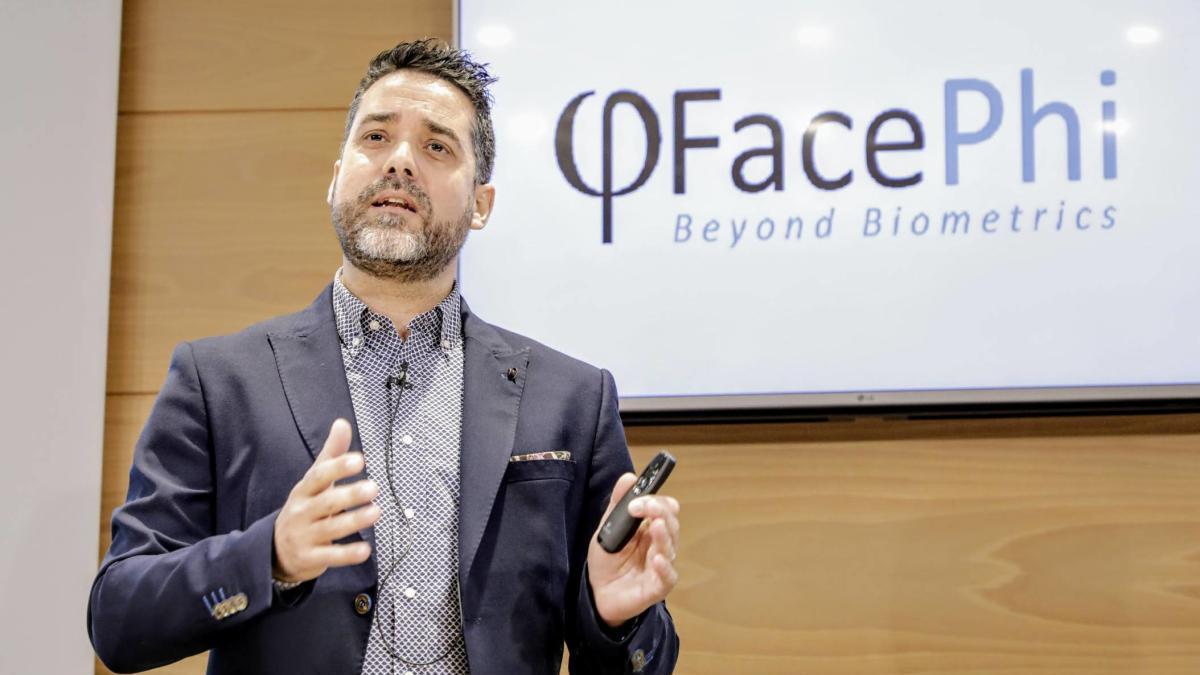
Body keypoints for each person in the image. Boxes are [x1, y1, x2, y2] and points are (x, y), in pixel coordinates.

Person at [88, 39, 680, 675]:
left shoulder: (570, 399)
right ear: (336, 176)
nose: (399, 161)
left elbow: (639, 653)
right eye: (375, 137)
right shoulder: (219, 381)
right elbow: (120, 619)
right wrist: (269, 556)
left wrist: (615, 617)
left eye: (436, 146)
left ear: (481, 204)